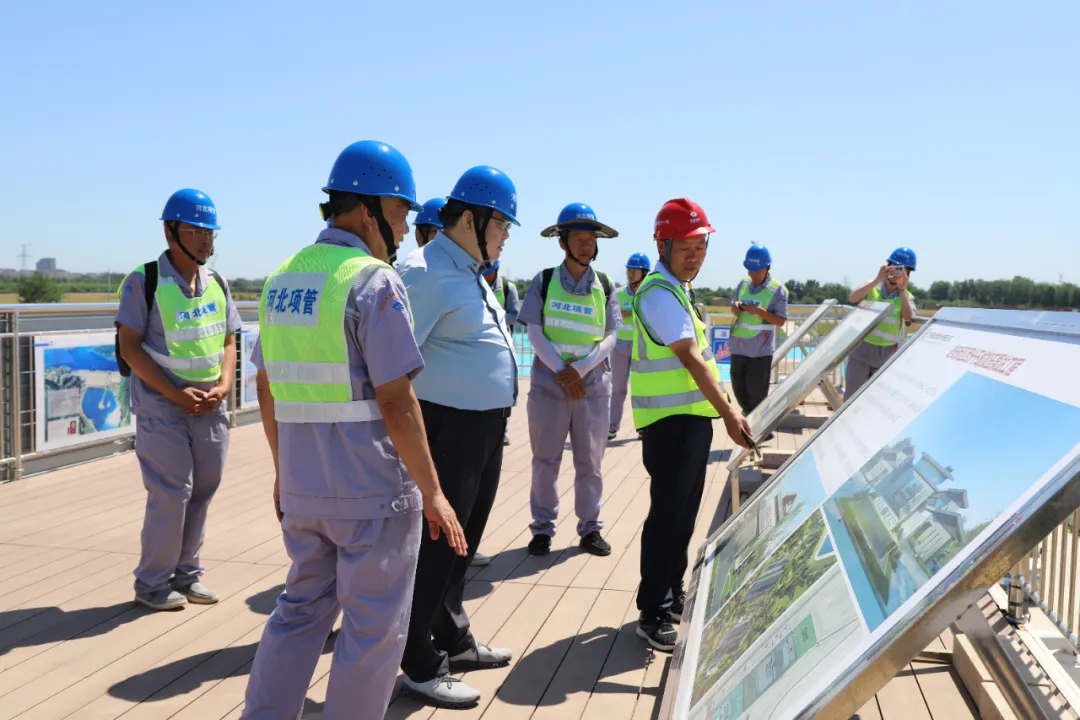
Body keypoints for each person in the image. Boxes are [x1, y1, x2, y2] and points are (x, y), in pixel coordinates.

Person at [240, 141, 466, 720]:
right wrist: (434, 492)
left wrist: (283, 473)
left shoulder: (283, 277)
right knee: (373, 630)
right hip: (371, 492)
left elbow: (266, 386)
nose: (406, 225)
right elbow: (396, 399)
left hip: (304, 487)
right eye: (402, 211)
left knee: (298, 611)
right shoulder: (372, 280)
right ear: (370, 210)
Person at [397, 165, 520, 708]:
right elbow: (393, 366)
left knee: (462, 542)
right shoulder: (424, 272)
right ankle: (419, 663)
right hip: (447, 426)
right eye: (502, 224)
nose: (506, 235)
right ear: (470, 220)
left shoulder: (468, 269)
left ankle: (452, 637)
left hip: (484, 427)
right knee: (437, 546)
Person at [631, 198, 753, 652]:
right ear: (662, 246)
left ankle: (672, 591)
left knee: (682, 515)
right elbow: (691, 358)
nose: (695, 256)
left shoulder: (679, 291)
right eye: (685, 247)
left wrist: (725, 406)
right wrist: (730, 414)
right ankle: (653, 610)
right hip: (668, 423)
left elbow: (703, 364)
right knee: (667, 515)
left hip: (691, 420)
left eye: (701, 247)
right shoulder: (659, 293)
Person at [115, 188, 240, 611]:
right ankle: (152, 583)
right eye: (196, 231)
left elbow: (228, 340)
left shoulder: (217, 282)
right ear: (171, 232)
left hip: (210, 406)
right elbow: (130, 347)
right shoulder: (143, 281)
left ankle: (187, 575)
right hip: (163, 406)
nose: (206, 240)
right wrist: (174, 392)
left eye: (211, 232)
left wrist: (224, 385)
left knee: (203, 489)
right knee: (172, 492)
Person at [518, 202, 621, 559]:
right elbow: (534, 332)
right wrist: (562, 371)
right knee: (545, 461)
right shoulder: (544, 281)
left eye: (590, 239)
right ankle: (542, 529)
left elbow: (611, 336)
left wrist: (580, 370)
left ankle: (590, 529)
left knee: (590, 463)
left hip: (592, 386)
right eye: (578, 239)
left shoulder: (605, 286)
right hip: (549, 385)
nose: (586, 245)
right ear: (562, 242)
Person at [843, 247, 918, 400]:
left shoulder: (906, 296)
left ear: (907, 274)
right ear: (887, 267)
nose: (896, 273)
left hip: (886, 354)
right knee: (851, 398)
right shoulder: (872, 286)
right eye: (894, 267)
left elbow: (909, 318)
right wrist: (877, 280)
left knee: (876, 401)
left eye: (901, 270)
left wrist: (902, 290)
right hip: (861, 349)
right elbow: (852, 298)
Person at [728, 244, 788, 415]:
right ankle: (749, 422)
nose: (752, 274)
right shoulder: (743, 284)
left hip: (759, 353)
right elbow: (733, 307)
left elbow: (780, 321)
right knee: (740, 395)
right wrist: (736, 306)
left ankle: (757, 427)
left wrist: (760, 312)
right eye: (750, 270)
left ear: (767, 267)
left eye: (757, 271)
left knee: (756, 398)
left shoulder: (778, 290)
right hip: (738, 348)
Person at [609, 252, 651, 440]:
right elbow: (608, 317)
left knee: (641, 389)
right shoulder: (618, 294)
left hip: (641, 348)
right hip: (619, 347)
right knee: (618, 388)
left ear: (644, 273)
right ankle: (611, 427)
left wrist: (632, 314)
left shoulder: (649, 295)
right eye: (629, 270)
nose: (630, 274)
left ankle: (643, 427)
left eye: (635, 271)